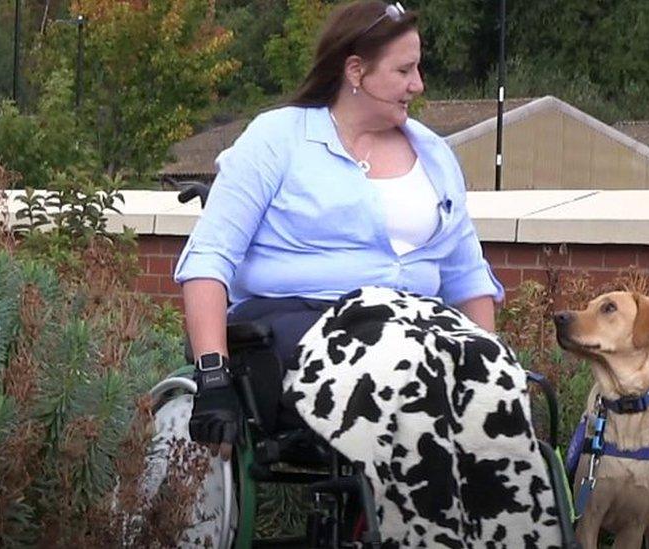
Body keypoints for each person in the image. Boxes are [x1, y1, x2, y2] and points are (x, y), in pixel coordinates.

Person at [174, 0, 503, 456]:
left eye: (418, 68)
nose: (418, 84)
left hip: (414, 331)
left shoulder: (434, 155)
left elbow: (467, 276)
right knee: (402, 370)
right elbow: (208, 260)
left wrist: (490, 363)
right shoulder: (277, 139)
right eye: (404, 70)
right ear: (355, 71)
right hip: (299, 329)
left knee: (495, 392)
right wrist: (212, 374)